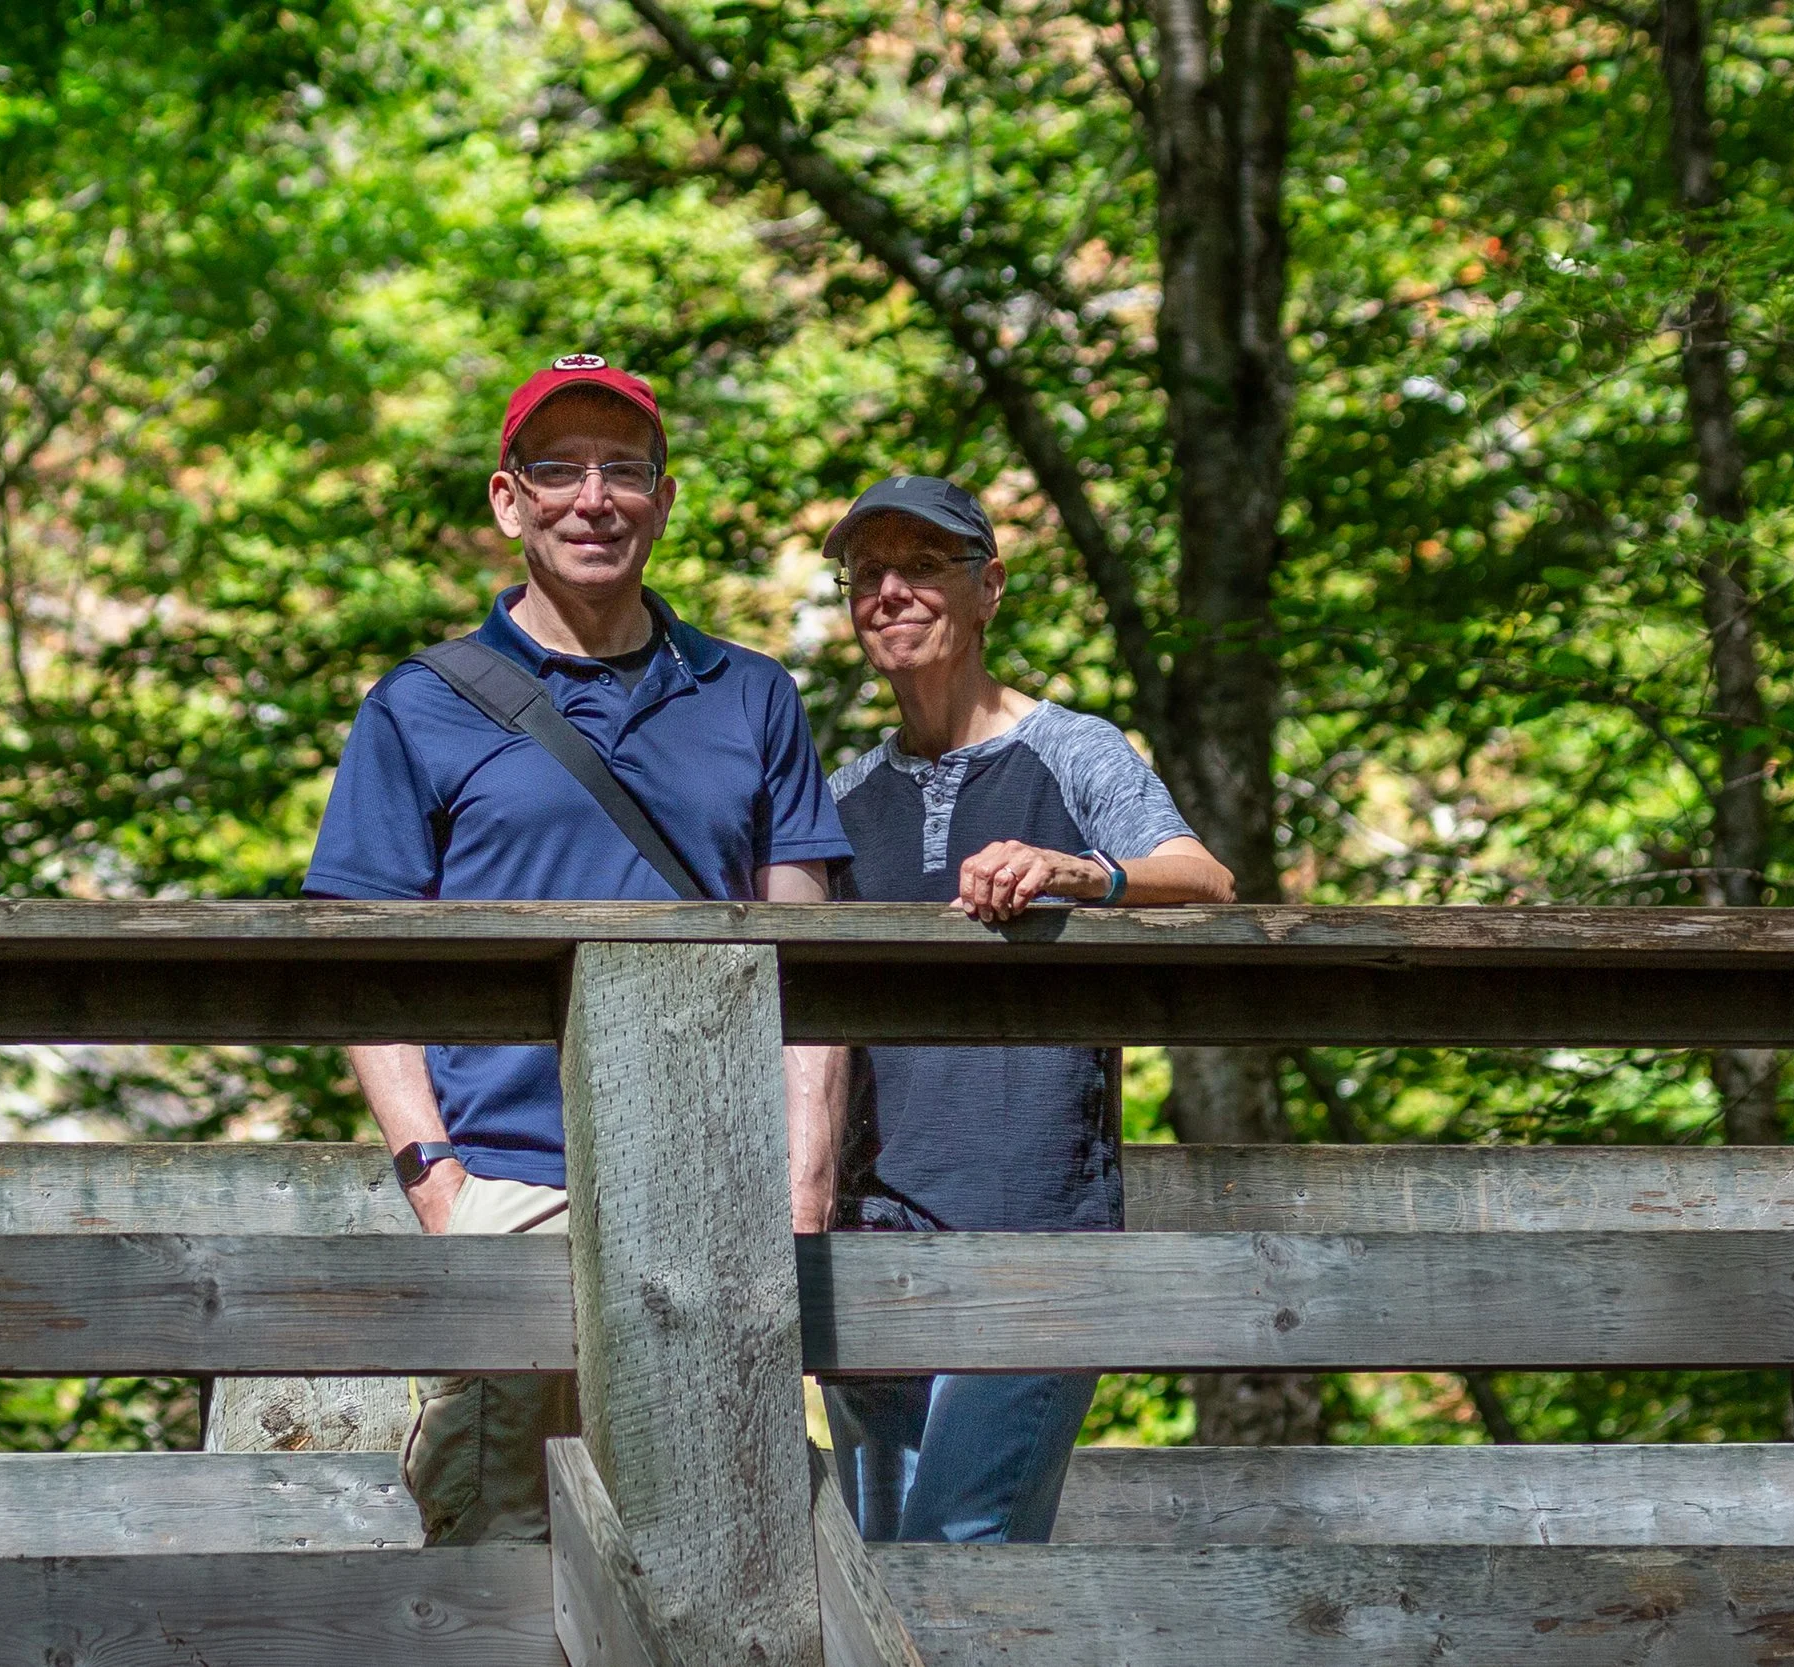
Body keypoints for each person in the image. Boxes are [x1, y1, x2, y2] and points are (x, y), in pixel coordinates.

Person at [302, 355, 853, 1543]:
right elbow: (362, 961)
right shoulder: (419, 703)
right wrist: (438, 1183)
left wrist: (802, 1178)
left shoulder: (751, 694)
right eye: (557, 470)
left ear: (662, 498)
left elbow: (806, 958)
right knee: (490, 1544)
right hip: (506, 1180)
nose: (592, 498)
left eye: (624, 470)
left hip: (718, 1194)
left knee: (727, 1546)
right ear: (510, 501)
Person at [821, 475, 1235, 1544]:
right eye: (868, 574)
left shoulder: (1069, 748)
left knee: (967, 1545)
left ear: (988, 587)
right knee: (879, 1570)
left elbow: (1202, 876)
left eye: (923, 566)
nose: (891, 593)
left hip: (1036, 1222)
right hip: (876, 1227)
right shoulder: (844, 796)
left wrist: (1075, 870)